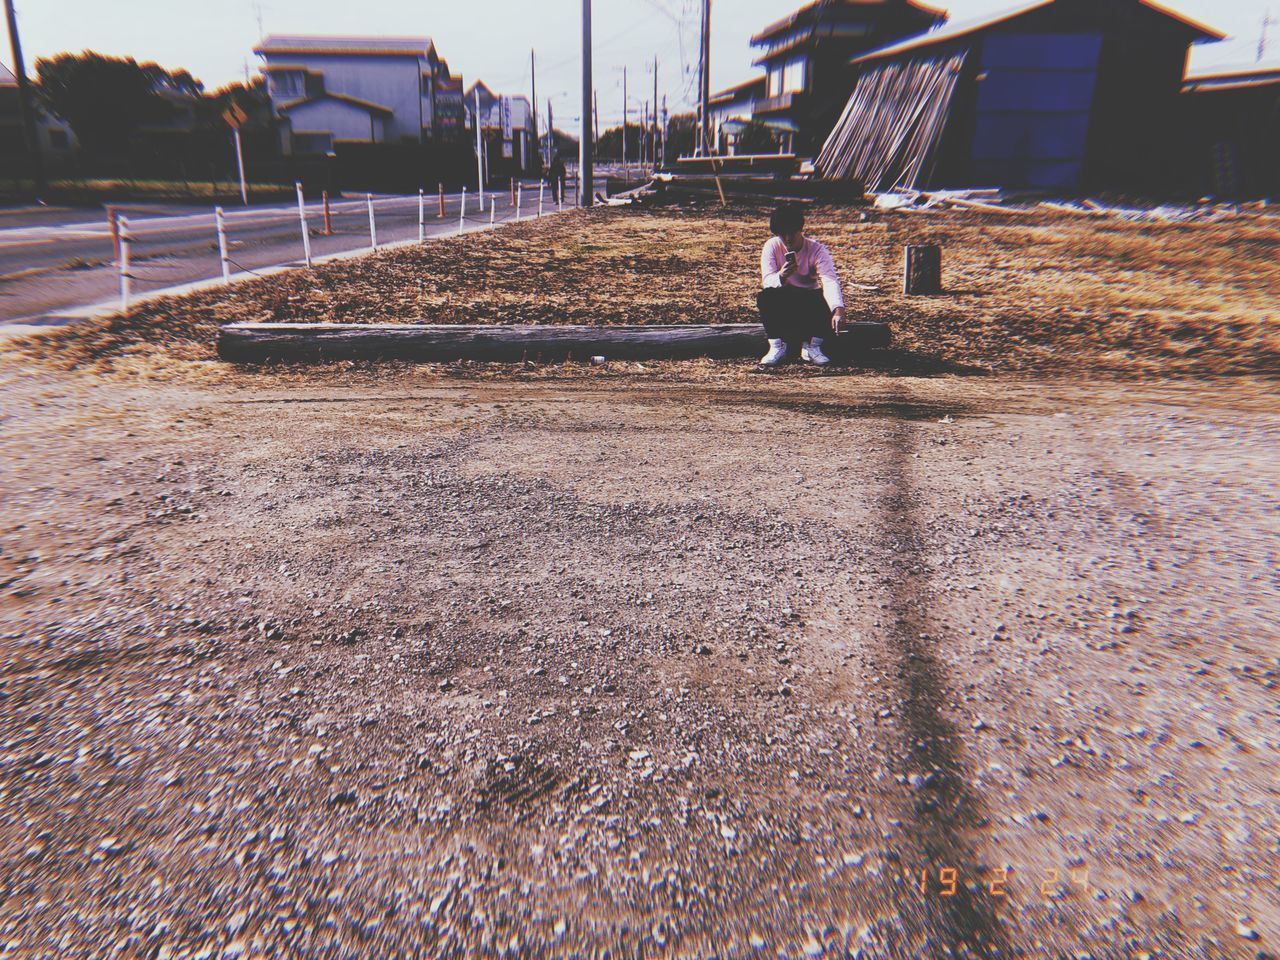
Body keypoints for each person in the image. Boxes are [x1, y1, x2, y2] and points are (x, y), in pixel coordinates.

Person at [756, 203, 847, 366]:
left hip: (808, 301)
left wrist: (838, 309)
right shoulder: (771, 246)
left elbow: (829, 280)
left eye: (792, 233)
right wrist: (782, 276)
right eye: (782, 235)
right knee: (765, 296)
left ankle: (812, 346)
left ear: (800, 230)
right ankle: (776, 346)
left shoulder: (817, 249)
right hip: (784, 301)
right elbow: (767, 281)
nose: (788, 239)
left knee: (822, 297)